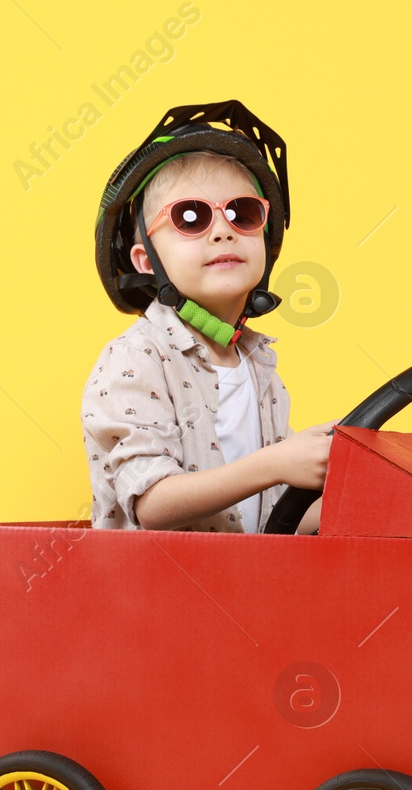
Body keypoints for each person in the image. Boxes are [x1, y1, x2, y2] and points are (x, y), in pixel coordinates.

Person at [83, 100, 333, 533]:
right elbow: (153, 502)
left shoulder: (258, 365)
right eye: (191, 217)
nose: (223, 230)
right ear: (146, 260)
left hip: (242, 590)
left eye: (243, 213)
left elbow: (275, 516)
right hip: (155, 594)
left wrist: (350, 493)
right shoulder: (135, 359)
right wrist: (275, 463)